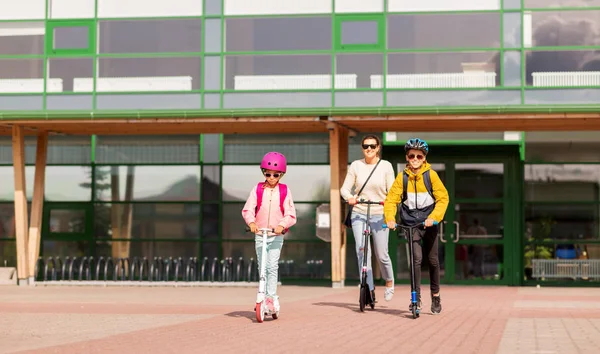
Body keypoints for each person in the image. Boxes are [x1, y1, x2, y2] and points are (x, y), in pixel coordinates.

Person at [384, 138, 449, 314]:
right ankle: (416, 298)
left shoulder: (431, 175)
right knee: (416, 260)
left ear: (424, 158)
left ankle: (435, 295)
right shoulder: (402, 177)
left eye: (419, 156)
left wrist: (434, 218)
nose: (415, 159)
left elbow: (443, 198)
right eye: (411, 155)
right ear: (407, 157)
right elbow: (391, 200)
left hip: (428, 222)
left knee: (433, 261)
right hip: (410, 223)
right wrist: (390, 218)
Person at [341, 135, 396, 302]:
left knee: (382, 254)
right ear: (362, 148)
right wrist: (350, 197)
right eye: (366, 146)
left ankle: (389, 280)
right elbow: (344, 189)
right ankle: (369, 288)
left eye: (372, 146)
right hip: (359, 211)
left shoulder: (386, 166)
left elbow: (393, 191)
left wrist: (389, 202)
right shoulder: (356, 166)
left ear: (378, 147)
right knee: (362, 250)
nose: (369, 149)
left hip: (380, 213)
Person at [242, 152, 297, 314]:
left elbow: (291, 214)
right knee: (262, 267)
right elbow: (248, 209)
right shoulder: (257, 189)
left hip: (276, 235)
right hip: (260, 234)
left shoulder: (285, 191)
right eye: (268, 174)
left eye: (275, 174)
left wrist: (282, 225)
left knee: (272, 266)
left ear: (282, 174)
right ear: (263, 173)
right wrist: (251, 222)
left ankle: (271, 298)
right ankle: (262, 295)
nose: (271, 177)